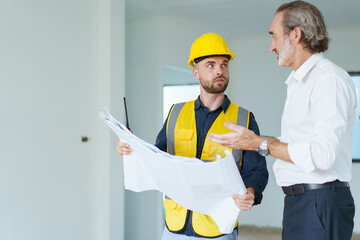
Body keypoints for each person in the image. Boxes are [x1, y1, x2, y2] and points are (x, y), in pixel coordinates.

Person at [207, 1, 358, 240]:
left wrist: (259, 144)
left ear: (295, 34)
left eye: (274, 36)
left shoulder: (328, 80)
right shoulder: (300, 82)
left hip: (319, 202)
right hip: (302, 203)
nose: (271, 46)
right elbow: (296, 144)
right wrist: (251, 141)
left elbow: (322, 155)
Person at [117, 32, 268, 240]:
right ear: (195, 73)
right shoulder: (176, 113)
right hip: (173, 228)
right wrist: (130, 150)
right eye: (211, 65)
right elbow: (157, 159)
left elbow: (257, 171)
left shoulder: (244, 119)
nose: (219, 71)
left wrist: (251, 191)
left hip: (217, 229)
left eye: (224, 64)